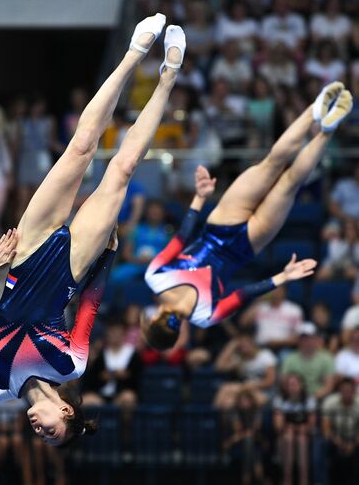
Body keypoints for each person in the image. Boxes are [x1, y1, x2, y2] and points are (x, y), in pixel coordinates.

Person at [0, 13, 187, 446]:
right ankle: (163, 73)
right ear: (66, 411)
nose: (38, 430)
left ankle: (140, 58)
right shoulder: (72, 365)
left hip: (25, 254)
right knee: (117, 167)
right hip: (72, 267)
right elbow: (90, 301)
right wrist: (107, 254)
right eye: (50, 432)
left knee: (82, 149)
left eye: (39, 436)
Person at [141, 81, 353, 350]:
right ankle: (315, 108)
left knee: (289, 184)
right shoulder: (154, 277)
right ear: (156, 316)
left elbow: (244, 293)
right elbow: (182, 237)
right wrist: (200, 197)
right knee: (272, 163)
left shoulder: (206, 317)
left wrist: (282, 277)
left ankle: (327, 131)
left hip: (246, 246)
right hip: (219, 225)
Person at [80, 320, 143, 408]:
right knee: (85, 400)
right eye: (112, 332)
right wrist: (102, 376)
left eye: (117, 332)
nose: (114, 335)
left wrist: (125, 375)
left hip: (121, 393)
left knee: (128, 398)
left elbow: (137, 377)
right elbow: (92, 377)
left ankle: (125, 422)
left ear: (123, 334)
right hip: (101, 395)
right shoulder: (102, 354)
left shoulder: (133, 353)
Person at [273, 373, 317, 485]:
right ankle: (287, 479)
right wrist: (289, 428)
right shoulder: (280, 399)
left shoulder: (308, 398)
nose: (291, 387)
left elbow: (311, 425)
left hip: (304, 435)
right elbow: (278, 426)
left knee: (301, 439)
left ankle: (304, 479)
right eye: (288, 385)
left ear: (301, 385)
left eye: (294, 384)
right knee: (289, 438)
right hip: (284, 436)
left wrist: (301, 428)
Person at [214, 334, 277, 409]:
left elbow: (270, 381)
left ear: (253, 344)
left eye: (246, 344)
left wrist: (252, 385)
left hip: (264, 392)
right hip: (245, 389)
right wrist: (232, 345)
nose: (244, 346)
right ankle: (212, 415)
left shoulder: (265, 356)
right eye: (241, 345)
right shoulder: (239, 359)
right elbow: (219, 367)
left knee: (228, 389)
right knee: (227, 401)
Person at [239, 285, 303, 353]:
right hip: (260, 348)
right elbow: (243, 322)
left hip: (283, 349)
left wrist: (277, 342)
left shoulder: (293, 310)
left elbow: (297, 337)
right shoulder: (261, 307)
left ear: (284, 292)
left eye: (278, 290)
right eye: (272, 290)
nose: (275, 292)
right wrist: (258, 301)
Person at [282, 322, 335, 400]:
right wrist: (298, 398)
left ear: (316, 339)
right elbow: (284, 384)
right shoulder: (290, 359)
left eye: (309, 338)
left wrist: (311, 399)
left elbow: (328, 387)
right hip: (295, 398)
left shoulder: (326, 358)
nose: (306, 341)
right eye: (303, 338)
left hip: (319, 398)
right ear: (299, 340)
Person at [322, 377, 359, 484]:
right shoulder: (330, 402)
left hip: (354, 437)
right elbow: (326, 429)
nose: (347, 393)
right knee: (323, 443)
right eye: (344, 390)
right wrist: (338, 442)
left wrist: (353, 444)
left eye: (349, 390)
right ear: (339, 391)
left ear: (354, 391)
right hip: (335, 437)